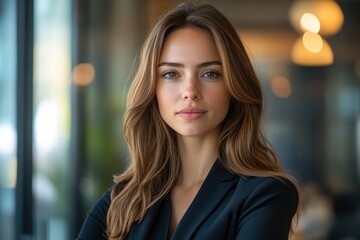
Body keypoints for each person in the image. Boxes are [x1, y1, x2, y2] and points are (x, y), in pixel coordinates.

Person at [77, 2, 299, 240]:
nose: (190, 91)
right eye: (171, 74)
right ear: (153, 90)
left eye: (210, 73)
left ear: (233, 87)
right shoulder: (124, 199)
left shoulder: (267, 195)